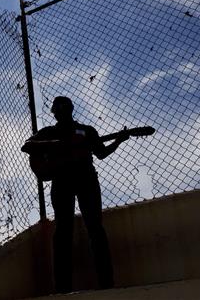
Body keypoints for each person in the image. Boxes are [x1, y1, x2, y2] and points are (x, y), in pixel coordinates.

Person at [23, 96, 129, 293]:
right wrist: (57, 145)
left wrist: (118, 141)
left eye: (65, 107)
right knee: (63, 231)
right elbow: (27, 146)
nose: (61, 110)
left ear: (71, 109)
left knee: (95, 229)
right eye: (58, 108)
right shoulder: (49, 132)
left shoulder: (87, 131)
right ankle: (63, 288)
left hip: (86, 180)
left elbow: (101, 153)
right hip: (62, 181)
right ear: (54, 112)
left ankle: (107, 283)